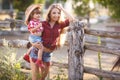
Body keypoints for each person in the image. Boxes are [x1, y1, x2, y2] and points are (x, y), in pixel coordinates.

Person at [25, 3, 74, 80]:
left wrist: (62, 9)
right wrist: (32, 43)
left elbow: (71, 19)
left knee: (42, 78)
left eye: (58, 13)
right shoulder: (43, 23)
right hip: (36, 53)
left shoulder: (60, 25)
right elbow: (32, 34)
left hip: (48, 55)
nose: (56, 15)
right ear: (49, 14)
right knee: (35, 78)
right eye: (54, 13)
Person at [23, 4, 45, 73]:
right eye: (36, 14)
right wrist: (38, 26)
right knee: (41, 48)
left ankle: (26, 55)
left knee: (34, 46)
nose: (38, 15)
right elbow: (32, 30)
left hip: (38, 37)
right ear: (32, 15)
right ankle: (39, 60)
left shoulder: (38, 21)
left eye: (39, 14)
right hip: (34, 37)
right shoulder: (32, 22)